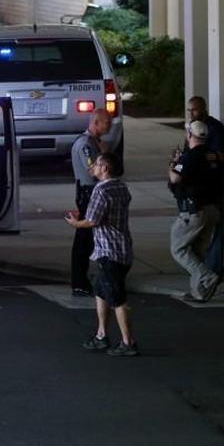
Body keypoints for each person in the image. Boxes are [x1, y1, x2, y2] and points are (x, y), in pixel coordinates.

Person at [65, 153, 138, 356]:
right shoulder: (122, 187)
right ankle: (101, 335)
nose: (93, 168)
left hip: (109, 251)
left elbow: (92, 221)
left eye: (97, 164)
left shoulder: (101, 190)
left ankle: (128, 342)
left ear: (105, 168)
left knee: (117, 298)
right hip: (123, 248)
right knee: (100, 292)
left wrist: (75, 223)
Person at [168, 121, 224, 302]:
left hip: (194, 212)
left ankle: (207, 276)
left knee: (179, 249)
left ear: (189, 135)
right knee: (197, 251)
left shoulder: (190, 157)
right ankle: (199, 292)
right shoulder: (213, 156)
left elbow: (175, 178)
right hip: (212, 209)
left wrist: (173, 164)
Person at [69, 108, 111, 295]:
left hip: (92, 192)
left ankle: (83, 279)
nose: (108, 126)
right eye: (106, 123)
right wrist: (104, 155)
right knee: (84, 239)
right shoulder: (86, 144)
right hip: (88, 193)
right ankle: (79, 281)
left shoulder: (94, 142)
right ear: (96, 123)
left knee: (91, 239)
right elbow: (93, 170)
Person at [187, 96, 224, 278]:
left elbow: (220, 155)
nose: (191, 114)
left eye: (194, 110)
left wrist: (200, 157)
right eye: (189, 110)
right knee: (200, 230)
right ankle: (202, 270)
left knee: (216, 228)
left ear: (203, 109)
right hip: (198, 187)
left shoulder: (215, 128)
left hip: (215, 183)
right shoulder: (192, 128)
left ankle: (215, 269)